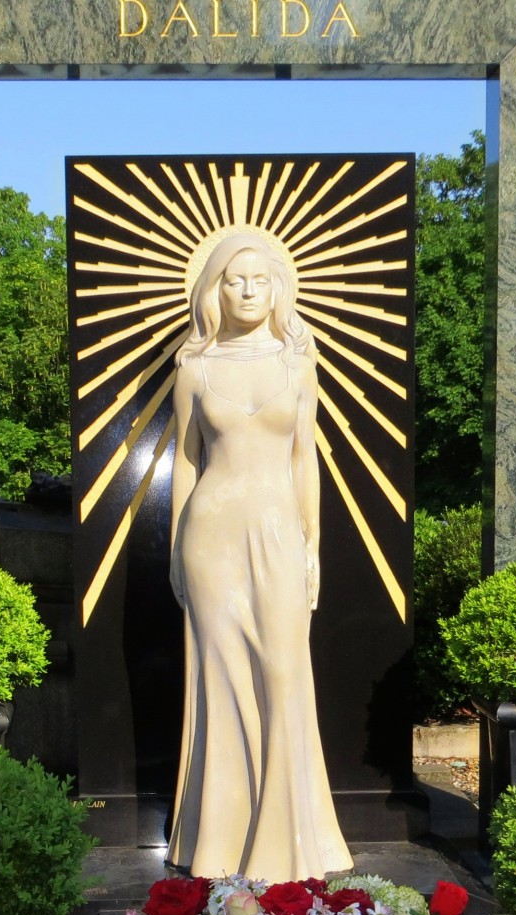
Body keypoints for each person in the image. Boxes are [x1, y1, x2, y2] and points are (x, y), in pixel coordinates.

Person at [165, 230, 351, 882]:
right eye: (235, 280)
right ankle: (217, 845)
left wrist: (314, 548)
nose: (247, 291)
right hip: (209, 538)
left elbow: (307, 460)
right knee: (221, 680)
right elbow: (185, 468)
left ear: (279, 288)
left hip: (278, 532)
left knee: (283, 674)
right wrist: (173, 557)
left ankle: (292, 843)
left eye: (259, 280)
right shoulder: (194, 368)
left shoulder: (300, 365)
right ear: (215, 288)